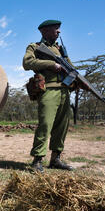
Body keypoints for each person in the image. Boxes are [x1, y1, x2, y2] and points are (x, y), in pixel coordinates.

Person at [22, 20, 74, 173]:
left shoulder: (60, 49)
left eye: (59, 29)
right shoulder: (35, 47)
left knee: (62, 126)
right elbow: (27, 62)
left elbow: (71, 68)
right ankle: (37, 160)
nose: (59, 32)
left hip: (64, 91)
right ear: (45, 31)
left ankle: (56, 159)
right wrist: (51, 65)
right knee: (45, 125)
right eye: (56, 29)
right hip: (48, 90)